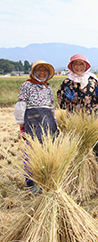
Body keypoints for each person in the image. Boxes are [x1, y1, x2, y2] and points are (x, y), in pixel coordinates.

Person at [57, 54, 98, 173]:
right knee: (75, 145)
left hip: (92, 118)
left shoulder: (92, 80)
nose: (79, 67)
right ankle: (75, 169)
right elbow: (61, 103)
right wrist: (67, 100)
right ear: (71, 66)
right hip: (74, 119)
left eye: (81, 64)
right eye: (76, 64)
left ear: (86, 66)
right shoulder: (67, 82)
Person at [13, 60, 58, 193]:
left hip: (47, 119)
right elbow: (21, 105)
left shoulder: (48, 88)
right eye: (39, 70)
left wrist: (55, 123)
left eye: (45, 70)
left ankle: (44, 179)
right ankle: (30, 182)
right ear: (33, 72)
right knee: (31, 150)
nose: (42, 73)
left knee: (48, 149)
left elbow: (51, 107)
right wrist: (22, 127)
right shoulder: (26, 85)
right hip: (32, 120)